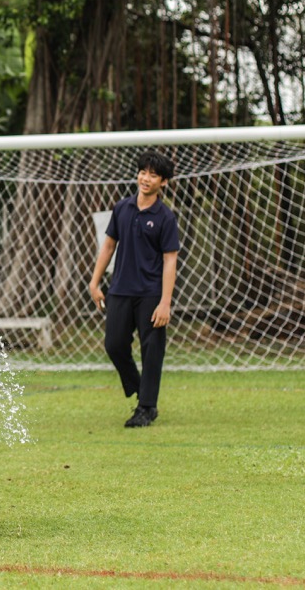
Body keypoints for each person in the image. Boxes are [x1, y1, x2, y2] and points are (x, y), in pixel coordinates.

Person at [88, 151, 180, 428]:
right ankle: (141, 390)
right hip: (120, 289)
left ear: (163, 182)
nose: (146, 178)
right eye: (143, 172)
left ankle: (146, 407)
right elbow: (108, 246)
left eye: (153, 175)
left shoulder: (165, 217)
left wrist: (165, 302)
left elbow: (170, 260)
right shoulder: (122, 208)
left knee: (152, 350)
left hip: (151, 293)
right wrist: (94, 282)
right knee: (114, 345)